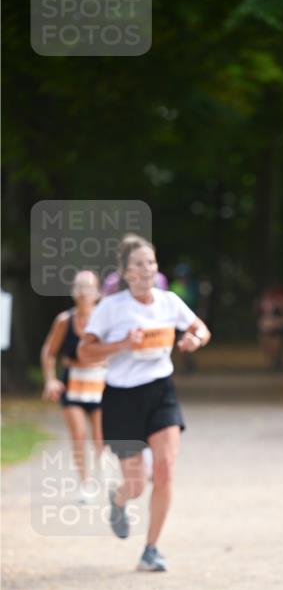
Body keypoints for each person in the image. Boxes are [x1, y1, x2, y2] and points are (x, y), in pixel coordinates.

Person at [78, 239, 211, 572]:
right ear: (124, 272)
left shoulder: (168, 302)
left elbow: (200, 328)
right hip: (122, 398)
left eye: (150, 263)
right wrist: (124, 343)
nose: (145, 270)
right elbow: (85, 352)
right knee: (136, 485)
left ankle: (151, 549)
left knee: (165, 471)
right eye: (137, 264)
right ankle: (119, 499)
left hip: (161, 391)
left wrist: (194, 339)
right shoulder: (111, 307)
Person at [41, 270, 106, 500]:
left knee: (100, 436)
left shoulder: (106, 318)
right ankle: (85, 483)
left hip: (100, 383)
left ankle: (102, 477)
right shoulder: (64, 321)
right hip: (73, 383)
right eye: (79, 286)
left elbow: (119, 349)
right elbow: (49, 352)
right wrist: (50, 380)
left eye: (88, 287)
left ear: (97, 292)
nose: (83, 292)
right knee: (78, 434)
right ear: (73, 292)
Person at [102, 234, 168, 295]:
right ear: (125, 268)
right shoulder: (113, 284)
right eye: (139, 264)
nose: (147, 268)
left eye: (150, 262)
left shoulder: (160, 280)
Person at [255, 286, 283, 371]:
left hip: (276, 323)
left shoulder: (279, 300)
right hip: (265, 323)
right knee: (265, 341)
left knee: (276, 343)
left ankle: (276, 359)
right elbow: (258, 312)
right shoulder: (263, 300)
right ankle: (269, 360)